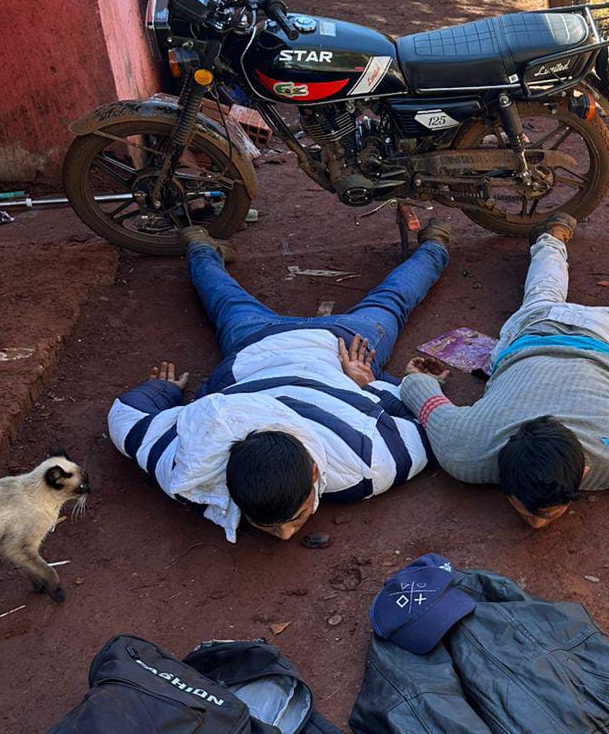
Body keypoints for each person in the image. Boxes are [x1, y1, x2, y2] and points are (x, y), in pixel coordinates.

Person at [108, 223, 450, 541]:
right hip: (306, 347)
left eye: (293, 516)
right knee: (228, 300)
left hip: (318, 348)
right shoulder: (190, 464)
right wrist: (366, 382)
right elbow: (126, 415)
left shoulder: (371, 462)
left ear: (313, 472)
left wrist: (372, 387)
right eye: (268, 523)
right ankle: (199, 246)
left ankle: (436, 244)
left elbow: (430, 421)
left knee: (389, 302)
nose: (286, 535)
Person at [397, 214, 609, 529]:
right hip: (543, 330)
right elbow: (415, 386)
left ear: (584, 473)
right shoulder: (461, 448)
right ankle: (553, 237)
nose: (537, 524)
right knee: (545, 296)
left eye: (543, 513)